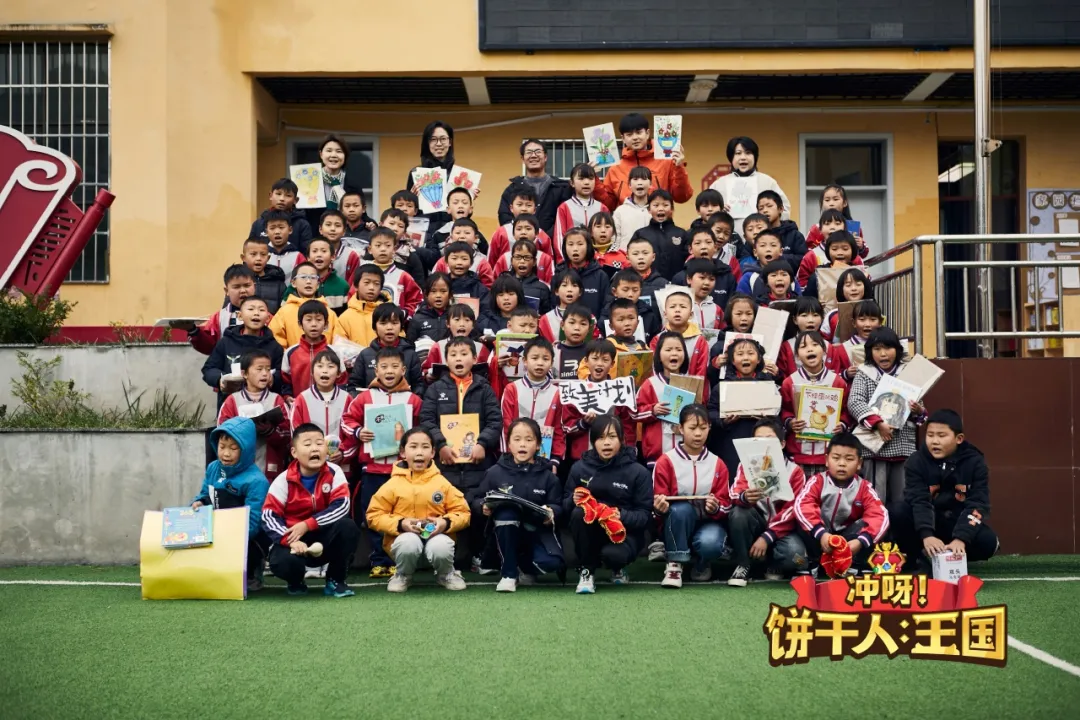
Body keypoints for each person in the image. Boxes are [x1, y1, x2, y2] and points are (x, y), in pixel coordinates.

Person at [340, 346, 424, 578]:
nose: (389, 371)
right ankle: (378, 559)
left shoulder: (414, 400)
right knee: (375, 516)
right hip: (373, 469)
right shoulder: (364, 397)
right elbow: (346, 420)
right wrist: (359, 432)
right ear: (375, 370)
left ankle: (399, 560)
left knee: (401, 515)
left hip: (402, 470)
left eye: (395, 366)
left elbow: (422, 430)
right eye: (384, 367)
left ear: (403, 370)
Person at [420, 336, 503, 563]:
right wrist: (440, 445)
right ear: (445, 360)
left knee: (478, 508)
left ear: (474, 359)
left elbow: (495, 421)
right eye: (453, 355)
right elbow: (426, 420)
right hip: (445, 465)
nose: (459, 359)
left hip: (478, 465)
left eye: (464, 354)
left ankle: (479, 555)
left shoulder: (484, 389)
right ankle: (445, 557)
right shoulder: (435, 389)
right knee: (443, 507)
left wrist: (482, 443)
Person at [365, 427, 471, 592]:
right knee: (408, 541)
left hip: (436, 541)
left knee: (441, 545)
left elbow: (463, 512)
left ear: (433, 452)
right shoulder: (392, 485)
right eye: (413, 447)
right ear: (403, 452)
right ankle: (402, 575)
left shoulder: (442, 483)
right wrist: (401, 524)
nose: (419, 452)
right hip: (404, 546)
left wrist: (445, 523)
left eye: (425, 447)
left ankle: (446, 573)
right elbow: (373, 515)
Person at [889, 409, 998, 568]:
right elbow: (919, 500)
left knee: (988, 542)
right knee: (897, 511)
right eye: (930, 435)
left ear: (959, 439)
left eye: (941, 436)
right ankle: (917, 557)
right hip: (927, 520)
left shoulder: (975, 462)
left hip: (956, 522)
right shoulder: (916, 461)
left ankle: (953, 556)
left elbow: (978, 503)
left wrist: (961, 538)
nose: (934, 441)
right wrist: (927, 535)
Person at [469, 418, 566, 592]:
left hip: (536, 533)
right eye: (517, 439)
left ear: (538, 445)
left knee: (552, 563)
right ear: (509, 444)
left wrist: (552, 512)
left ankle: (522, 566)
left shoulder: (548, 476)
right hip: (503, 534)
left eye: (529, 440)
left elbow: (559, 505)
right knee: (507, 513)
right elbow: (476, 499)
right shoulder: (494, 472)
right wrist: (482, 505)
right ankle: (509, 574)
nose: (522, 444)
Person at [262, 423, 358, 597]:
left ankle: (335, 580)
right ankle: (296, 581)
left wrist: (308, 524)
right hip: (294, 539)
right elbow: (269, 516)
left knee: (348, 527)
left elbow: (342, 505)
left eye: (319, 443)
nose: (315, 448)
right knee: (282, 561)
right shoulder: (283, 480)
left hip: (324, 536)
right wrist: (289, 540)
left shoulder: (335, 472)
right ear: (294, 452)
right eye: (307, 444)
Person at [564, 415, 654, 593]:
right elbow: (564, 505)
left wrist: (621, 515)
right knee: (578, 513)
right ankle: (587, 570)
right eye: (600, 438)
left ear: (622, 439)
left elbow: (645, 515)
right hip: (591, 531)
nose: (606, 443)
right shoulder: (579, 468)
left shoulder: (638, 472)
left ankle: (617, 568)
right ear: (593, 441)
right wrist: (572, 500)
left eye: (612, 437)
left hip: (624, 532)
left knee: (614, 556)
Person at [652, 404, 731, 588]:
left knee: (711, 543)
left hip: (708, 522)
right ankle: (674, 563)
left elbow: (726, 504)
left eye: (703, 428)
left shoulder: (718, 464)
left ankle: (703, 562)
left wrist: (716, 508)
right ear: (680, 428)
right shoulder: (666, 461)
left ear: (709, 428)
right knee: (680, 510)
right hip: (677, 523)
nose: (698, 434)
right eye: (692, 428)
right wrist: (659, 508)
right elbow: (656, 505)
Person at [191, 416, 270, 592]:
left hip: (245, 536)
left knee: (253, 545)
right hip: (217, 530)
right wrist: (198, 503)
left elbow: (254, 523)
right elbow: (205, 493)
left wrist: (228, 540)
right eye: (222, 447)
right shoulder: (213, 468)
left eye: (233, 448)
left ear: (246, 450)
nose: (226, 453)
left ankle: (253, 570)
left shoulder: (257, 481)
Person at [847, 327, 926, 503]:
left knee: (902, 499)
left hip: (903, 445)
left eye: (888, 348)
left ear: (897, 349)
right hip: (874, 446)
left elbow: (920, 407)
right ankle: (877, 523)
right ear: (870, 351)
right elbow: (855, 402)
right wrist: (877, 423)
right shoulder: (864, 372)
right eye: (877, 349)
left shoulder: (908, 373)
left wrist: (918, 410)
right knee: (876, 499)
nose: (883, 354)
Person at [727, 419, 808, 586]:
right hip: (757, 523)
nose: (763, 445)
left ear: (783, 444)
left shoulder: (795, 472)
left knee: (797, 557)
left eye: (769, 440)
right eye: (758, 440)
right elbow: (734, 493)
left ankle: (774, 563)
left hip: (783, 531)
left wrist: (767, 537)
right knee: (739, 513)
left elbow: (793, 510)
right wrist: (744, 497)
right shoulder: (746, 465)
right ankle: (743, 563)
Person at [794, 432, 889, 574]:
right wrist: (821, 534)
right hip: (820, 536)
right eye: (836, 458)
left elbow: (880, 515)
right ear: (827, 460)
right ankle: (813, 562)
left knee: (870, 524)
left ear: (859, 463)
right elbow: (802, 506)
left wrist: (861, 541)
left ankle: (852, 563)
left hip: (848, 540)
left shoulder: (864, 487)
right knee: (801, 518)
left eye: (849, 459)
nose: (842, 464)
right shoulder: (817, 481)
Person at [780, 331, 851, 475]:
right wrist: (790, 422)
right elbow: (784, 410)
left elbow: (846, 411)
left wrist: (842, 424)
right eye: (803, 346)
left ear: (824, 351)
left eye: (815, 344)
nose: (810, 349)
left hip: (828, 454)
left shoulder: (837, 381)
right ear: (797, 356)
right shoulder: (789, 382)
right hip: (798, 453)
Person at [216, 350, 291, 479]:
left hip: (270, 470)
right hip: (238, 472)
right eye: (259, 369)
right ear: (244, 374)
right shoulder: (232, 401)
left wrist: (271, 431)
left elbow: (288, 435)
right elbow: (222, 433)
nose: (265, 373)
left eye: (268, 369)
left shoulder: (277, 400)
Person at [709, 337, 777, 478]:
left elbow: (777, 413)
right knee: (734, 477)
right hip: (731, 441)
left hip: (760, 441)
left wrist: (768, 417)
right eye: (740, 354)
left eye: (750, 353)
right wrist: (723, 421)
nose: (745, 357)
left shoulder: (768, 385)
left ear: (759, 359)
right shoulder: (722, 387)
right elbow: (711, 412)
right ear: (733, 361)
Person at [563, 339, 637, 460]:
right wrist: (583, 423)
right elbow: (566, 427)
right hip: (583, 456)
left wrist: (630, 450)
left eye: (605, 360)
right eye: (595, 358)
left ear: (612, 364)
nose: (599, 364)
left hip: (615, 457)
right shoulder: (575, 390)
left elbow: (628, 425)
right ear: (586, 361)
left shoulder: (620, 390)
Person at [202, 297, 283, 405]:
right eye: (251, 309)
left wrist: (272, 378)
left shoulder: (274, 346)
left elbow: (282, 374)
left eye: (261, 310)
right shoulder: (226, 342)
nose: (256, 313)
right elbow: (209, 369)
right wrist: (220, 379)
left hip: (264, 405)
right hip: (231, 404)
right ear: (240, 315)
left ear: (268, 318)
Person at [499, 337, 566, 467]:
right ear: (525, 361)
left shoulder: (557, 393)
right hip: (514, 457)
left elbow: (559, 429)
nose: (540, 363)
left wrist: (555, 458)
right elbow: (505, 424)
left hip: (544, 458)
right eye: (534, 358)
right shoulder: (512, 389)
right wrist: (508, 454)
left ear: (552, 363)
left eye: (545, 359)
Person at [601, 112, 692, 205]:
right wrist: (594, 178)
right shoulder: (615, 169)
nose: (635, 137)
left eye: (639, 132)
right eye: (629, 134)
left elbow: (682, 197)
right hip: (627, 214)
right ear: (623, 138)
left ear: (647, 133)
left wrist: (679, 167)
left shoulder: (666, 161)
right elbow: (607, 204)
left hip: (658, 214)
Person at [709, 136, 791, 227]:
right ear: (731, 158)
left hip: (763, 235)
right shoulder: (719, 184)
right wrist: (717, 213)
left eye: (748, 153)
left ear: (755, 157)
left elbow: (785, 209)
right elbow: (704, 214)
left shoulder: (768, 182)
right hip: (728, 235)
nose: (743, 157)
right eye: (738, 153)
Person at [497, 139, 572, 236]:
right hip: (521, 242)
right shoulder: (513, 189)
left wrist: (544, 238)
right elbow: (504, 217)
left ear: (545, 157)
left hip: (552, 242)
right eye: (529, 152)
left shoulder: (561, 187)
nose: (533, 155)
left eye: (538, 151)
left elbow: (565, 217)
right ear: (522, 159)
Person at [636, 331, 690, 467]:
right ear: (659, 355)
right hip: (656, 456)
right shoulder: (650, 384)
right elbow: (635, 413)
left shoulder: (692, 383)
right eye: (668, 349)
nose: (674, 353)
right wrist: (653, 410)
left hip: (685, 455)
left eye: (679, 349)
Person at [348, 303, 423, 392]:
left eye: (394, 323)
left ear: (401, 326)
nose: (389, 327)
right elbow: (353, 386)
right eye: (383, 323)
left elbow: (418, 385)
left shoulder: (411, 354)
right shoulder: (365, 355)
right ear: (374, 327)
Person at [302, 134, 363, 240]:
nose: (333, 155)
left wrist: (371, 223)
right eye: (329, 151)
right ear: (321, 154)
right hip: (314, 240)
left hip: (345, 239)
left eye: (339, 151)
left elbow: (361, 214)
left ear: (345, 156)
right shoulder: (308, 181)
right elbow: (301, 214)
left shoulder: (354, 186)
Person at [281, 302, 346, 399]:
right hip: (299, 404)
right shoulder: (290, 352)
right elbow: (285, 381)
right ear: (300, 324)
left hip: (327, 403)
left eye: (319, 319)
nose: (314, 324)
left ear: (326, 324)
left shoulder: (334, 352)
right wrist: (287, 396)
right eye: (308, 320)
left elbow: (342, 381)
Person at [189, 265, 257, 355]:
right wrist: (194, 331)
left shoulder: (265, 316)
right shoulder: (218, 318)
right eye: (236, 287)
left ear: (254, 287)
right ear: (226, 291)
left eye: (247, 285)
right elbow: (209, 347)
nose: (242, 290)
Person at [270, 262, 339, 349]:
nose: (308, 281)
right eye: (303, 277)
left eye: (313, 277)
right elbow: (276, 341)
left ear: (318, 284)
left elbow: (338, 343)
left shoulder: (329, 313)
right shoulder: (284, 312)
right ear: (293, 283)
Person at [421, 302, 491, 385]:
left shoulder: (481, 348)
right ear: (448, 324)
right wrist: (427, 376)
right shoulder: (438, 346)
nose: (462, 324)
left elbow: (489, 372)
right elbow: (426, 369)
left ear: (473, 325)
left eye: (467, 320)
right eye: (457, 320)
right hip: (444, 389)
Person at [405, 121, 457, 232]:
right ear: (427, 143)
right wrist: (412, 199)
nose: (438, 144)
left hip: (452, 231)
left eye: (443, 139)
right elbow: (407, 211)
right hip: (424, 231)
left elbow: (464, 213)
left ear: (450, 142)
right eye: (433, 139)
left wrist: (469, 198)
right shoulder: (416, 173)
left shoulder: (457, 174)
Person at [650, 286, 710, 378]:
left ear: (691, 314)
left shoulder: (700, 340)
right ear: (665, 314)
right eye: (672, 307)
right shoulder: (657, 340)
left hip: (692, 386)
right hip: (664, 386)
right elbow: (654, 368)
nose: (677, 310)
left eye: (683, 306)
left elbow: (702, 370)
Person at [628, 189, 687, 282]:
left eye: (665, 205)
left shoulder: (681, 234)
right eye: (656, 205)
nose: (660, 209)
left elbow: (688, 260)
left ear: (672, 209)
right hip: (647, 284)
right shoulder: (640, 234)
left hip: (676, 284)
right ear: (649, 209)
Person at [491, 185, 560, 264]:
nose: (524, 209)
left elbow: (548, 263)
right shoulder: (501, 233)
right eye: (519, 204)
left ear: (535, 209)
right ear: (511, 208)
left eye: (528, 205)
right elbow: (491, 261)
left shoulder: (543, 236)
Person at [284, 237, 350, 315]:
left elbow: (345, 316)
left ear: (333, 257)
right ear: (308, 258)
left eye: (324, 251)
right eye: (314, 251)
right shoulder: (297, 284)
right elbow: (284, 313)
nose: (319, 255)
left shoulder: (342, 285)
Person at [366, 228, 423, 317]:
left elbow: (417, 299)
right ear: (369, 249)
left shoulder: (403, 276)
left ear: (394, 249)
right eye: (378, 245)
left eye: (388, 245)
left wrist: (404, 314)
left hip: (394, 323)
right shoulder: (362, 273)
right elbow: (353, 297)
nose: (383, 249)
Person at [249, 177, 314, 254]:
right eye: (278, 194)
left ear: (295, 200)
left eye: (288, 195)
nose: (282, 199)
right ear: (270, 196)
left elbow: (307, 253)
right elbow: (250, 251)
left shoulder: (302, 225)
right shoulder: (258, 224)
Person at [804, 184, 869, 259]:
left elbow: (862, 255)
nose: (831, 203)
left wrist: (861, 246)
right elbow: (807, 252)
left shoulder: (853, 227)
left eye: (835, 199)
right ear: (822, 203)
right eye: (827, 200)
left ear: (844, 203)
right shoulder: (816, 228)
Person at [558, 226, 610, 318]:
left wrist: (598, 324)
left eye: (580, 244)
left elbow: (606, 307)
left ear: (588, 246)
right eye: (570, 244)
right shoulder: (558, 274)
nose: (575, 248)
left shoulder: (601, 276)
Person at [432, 218, 496, 289]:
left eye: (467, 233)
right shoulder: (442, 261)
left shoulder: (482, 261)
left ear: (476, 238)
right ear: (451, 237)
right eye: (458, 233)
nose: (462, 236)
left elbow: (488, 288)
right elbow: (433, 284)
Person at [599, 269, 661, 341]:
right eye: (625, 290)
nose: (630, 294)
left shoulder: (649, 315)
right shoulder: (606, 316)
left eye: (635, 290)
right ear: (614, 291)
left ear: (640, 291)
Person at [554, 163, 606, 247]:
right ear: (572, 183)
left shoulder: (602, 208)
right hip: (572, 254)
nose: (586, 182)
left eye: (590, 178)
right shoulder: (564, 207)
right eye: (581, 179)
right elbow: (559, 238)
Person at [756, 190, 807, 273]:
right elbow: (746, 259)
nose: (765, 210)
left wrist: (778, 257)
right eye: (761, 208)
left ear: (780, 209)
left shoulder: (794, 235)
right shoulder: (756, 235)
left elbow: (803, 259)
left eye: (769, 206)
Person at [499, 238, 554, 314]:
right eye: (518, 257)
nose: (522, 261)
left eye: (527, 257)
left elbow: (546, 315)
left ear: (534, 262)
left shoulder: (542, 288)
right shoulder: (502, 284)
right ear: (512, 260)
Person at [336, 264, 386, 347]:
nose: (371, 287)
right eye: (367, 282)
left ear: (381, 288)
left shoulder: (388, 315)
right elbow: (340, 348)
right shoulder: (345, 318)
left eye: (376, 284)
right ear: (356, 286)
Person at [802, 231, 858, 300]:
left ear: (853, 251)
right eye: (834, 249)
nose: (840, 253)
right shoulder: (818, 275)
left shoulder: (860, 273)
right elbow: (808, 300)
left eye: (845, 249)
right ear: (828, 251)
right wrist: (816, 303)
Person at [822, 268, 873, 342]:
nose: (854, 288)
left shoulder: (874, 312)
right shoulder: (832, 315)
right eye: (848, 285)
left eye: (858, 284)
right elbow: (823, 342)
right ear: (841, 289)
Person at [240, 237, 287, 314]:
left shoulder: (278, 284)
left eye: (263, 254)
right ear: (243, 258)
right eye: (253, 254)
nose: (259, 258)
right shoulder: (238, 281)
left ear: (268, 258)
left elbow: (284, 312)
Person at [613, 166, 653, 251]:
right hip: (625, 257)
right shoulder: (620, 211)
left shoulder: (656, 211)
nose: (639, 183)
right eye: (635, 179)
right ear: (629, 185)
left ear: (650, 184)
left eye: (644, 179)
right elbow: (615, 239)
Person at [539, 268, 584, 343]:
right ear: (556, 291)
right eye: (564, 285)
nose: (569, 289)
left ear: (580, 292)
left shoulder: (589, 318)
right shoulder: (545, 319)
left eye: (574, 285)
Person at [625, 236, 670, 311]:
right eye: (635, 254)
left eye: (645, 253)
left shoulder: (663, 284)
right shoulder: (619, 281)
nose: (640, 257)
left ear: (653, 257)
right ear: (627, 258)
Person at [442, 240, 491, 309]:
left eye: (464, 259)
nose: (459, 262)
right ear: (446, 262)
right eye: (454, 258)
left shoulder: (479, 288)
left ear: (471, 263)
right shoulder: (442, 286)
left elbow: (487, 310)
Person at [552, 303, 595, 381]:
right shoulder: (553, 351)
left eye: (583, 324)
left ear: (589, 328)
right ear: (562, 325)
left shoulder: (592, 352)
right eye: (572, 322)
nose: (577, 328)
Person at [408, 272, 453, 345]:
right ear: (426, 294)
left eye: (443, 291)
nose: (438, 295)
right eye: (433, 291)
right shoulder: (417, 319)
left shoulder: (455, 316)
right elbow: (410, 345)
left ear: (450, 294)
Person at [262, 210, 307, 279]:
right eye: (272, 228)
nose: (277, 232)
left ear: (290, 230)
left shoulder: (298, 256)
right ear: (266, 232)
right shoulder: (261, 255)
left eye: (281, 227)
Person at [588, 212, 627, 277]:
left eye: (607, 227)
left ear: (613, 232)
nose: (603, 230)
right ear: (590, 231)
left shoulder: (622, 256)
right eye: (598, 226)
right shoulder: (586, 255)